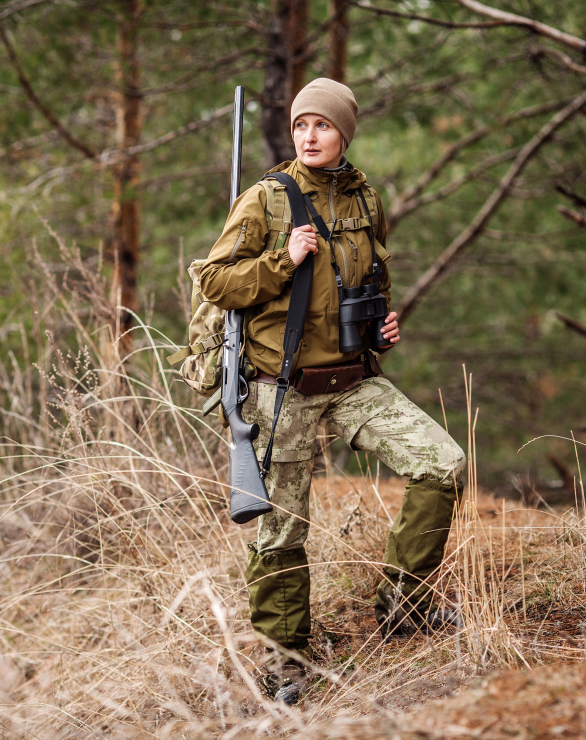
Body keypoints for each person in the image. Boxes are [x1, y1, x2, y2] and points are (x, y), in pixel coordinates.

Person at [198, 78, 466, 703]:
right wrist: (282, 261)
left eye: (322, 125)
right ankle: (285, 666)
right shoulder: (267, 199)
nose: (310, 136)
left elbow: (369, 274)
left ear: (345, 131)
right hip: (281, 387)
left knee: (442, 465)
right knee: (282, 531)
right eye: (300, 126)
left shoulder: (364, 197)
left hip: (352, 379)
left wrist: (383, 323)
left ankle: (403, 606)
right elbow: (214, 281)